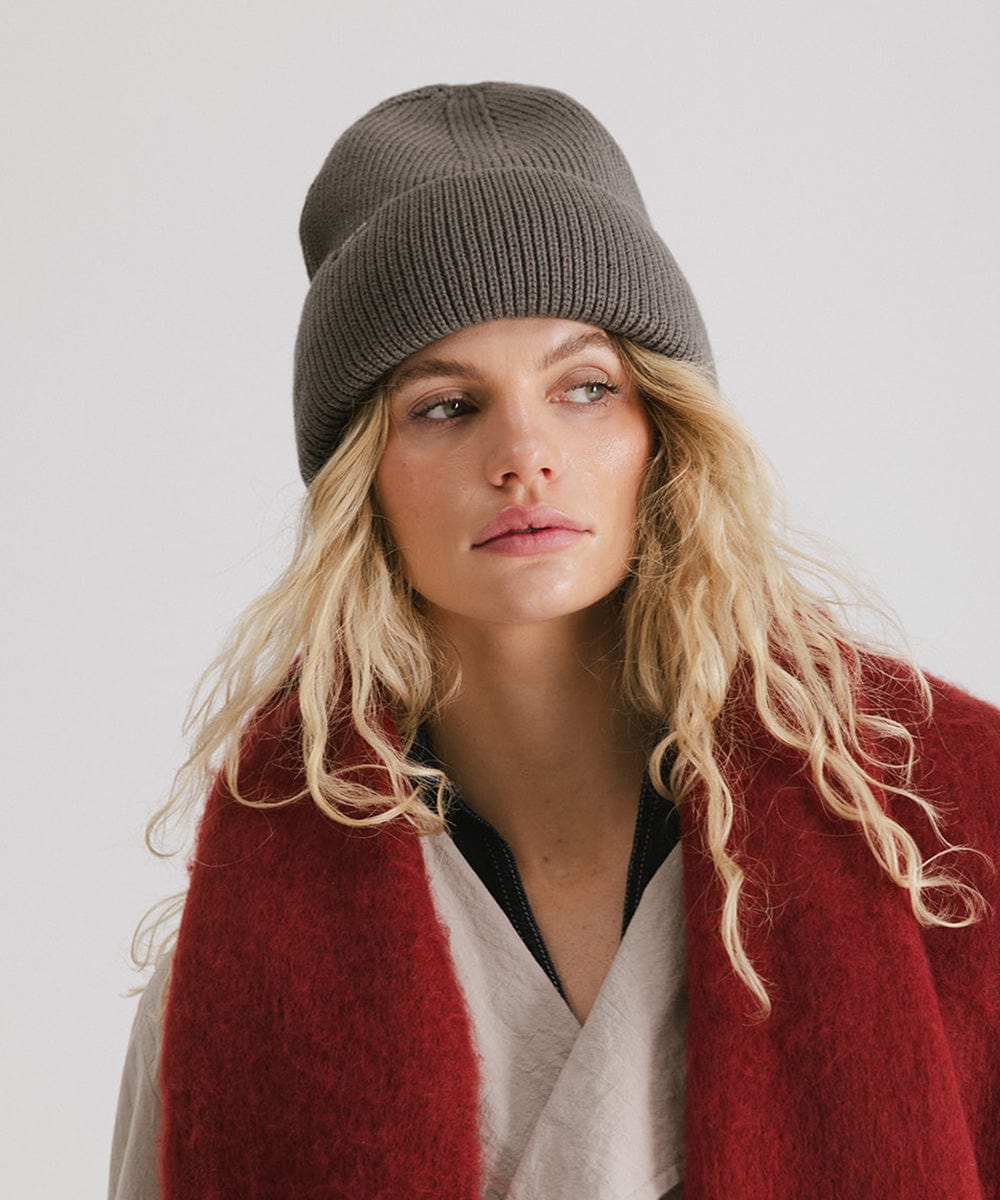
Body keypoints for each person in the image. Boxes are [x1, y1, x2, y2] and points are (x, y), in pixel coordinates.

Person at [109, 82, 1000, 1200]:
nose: (524, 454)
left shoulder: (948, 837)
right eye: (444, 405)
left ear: (660, 431)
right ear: (361, 480)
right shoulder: (237, 961)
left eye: (584, 388)